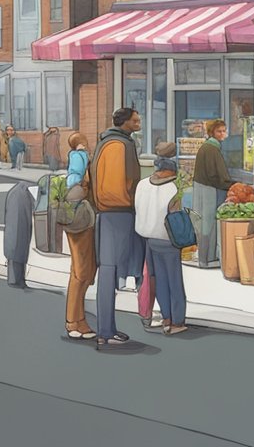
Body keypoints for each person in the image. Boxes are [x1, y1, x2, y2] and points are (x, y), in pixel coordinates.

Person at [89, 107, 144, 348]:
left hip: (110, 213)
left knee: (110, 271)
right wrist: (129, 201)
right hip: (116, 213)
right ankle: (105, 331)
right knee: (110, 270)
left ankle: (107, 328)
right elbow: (113, 186)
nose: (138, 123)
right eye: (135, 120)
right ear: (124, 123)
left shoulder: (110, 142)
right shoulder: (118, 145)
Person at [135, 142, 188, 335]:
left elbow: (138, 208)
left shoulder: (142, 185)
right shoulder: (173, 187)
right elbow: (177, 216)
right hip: (169, 239)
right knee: (174, 280)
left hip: (149, 238)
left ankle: (166, 318)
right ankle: (177, 322)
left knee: (160, 280)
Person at [63, 132, 96, 340]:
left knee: (84, 271)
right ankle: (73, 322)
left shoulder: (79, 156)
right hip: (80, 219)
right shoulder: (79, 156)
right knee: (80, 271)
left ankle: (79, 320)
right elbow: (73, 181)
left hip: (82, 218)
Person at [192, 119, 237, 268]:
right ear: (212, 132)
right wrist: (231, 185)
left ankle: (205, 258)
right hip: (209, 190)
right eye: (219, 131)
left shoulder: (207, 147)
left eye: (224, 130)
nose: (223, 134)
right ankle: (208, 259)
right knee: (208, 224)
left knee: (203, 223)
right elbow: (215, 175)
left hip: (202, 188)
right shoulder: (212, 149)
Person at [2, 181, 34, 288]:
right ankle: (16, 278)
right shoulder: (20, 194)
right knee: (18, 237)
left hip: (22, 192)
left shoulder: (17, 192)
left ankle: (16, 278)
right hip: (23, 193)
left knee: (17, 236)